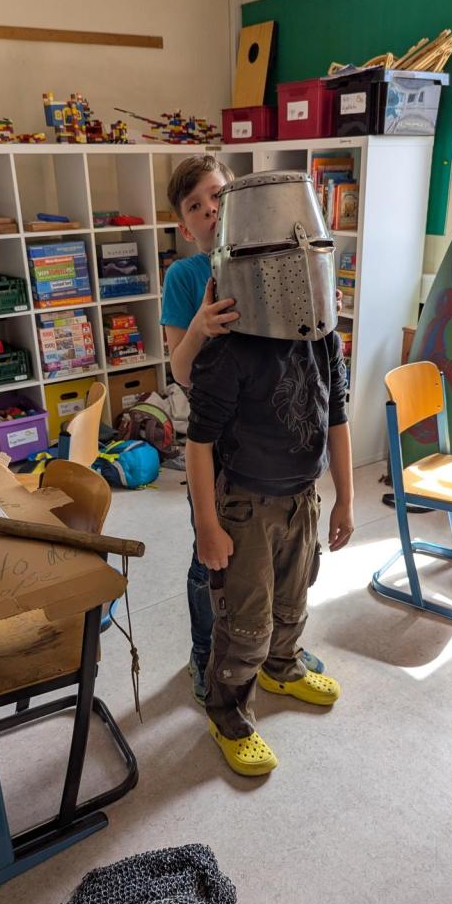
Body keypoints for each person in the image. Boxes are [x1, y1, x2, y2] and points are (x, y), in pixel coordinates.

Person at [184, 234, 355, 776]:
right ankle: (227, 712)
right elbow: (198, 443)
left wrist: (345, 500)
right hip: (246, 509)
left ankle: (282, 667)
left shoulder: (324, 339)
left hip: (302, 499)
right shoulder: (231, 351)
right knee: (245, 623)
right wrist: (207, 526)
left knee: (292, 599)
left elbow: (337, 418)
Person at [161, 155, 326, 705]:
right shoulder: (185, 276)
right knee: (210, 557)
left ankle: (276, 652)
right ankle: (205, 652)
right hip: (217, 446)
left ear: (240, 201)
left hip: (273, 440)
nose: (210, 210)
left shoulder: (274, 254)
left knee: (278, 561)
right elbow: (180, 371)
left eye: (217, 196)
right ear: (186, 227)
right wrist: (200, 328)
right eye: (196, 206)